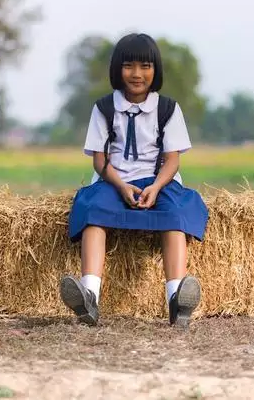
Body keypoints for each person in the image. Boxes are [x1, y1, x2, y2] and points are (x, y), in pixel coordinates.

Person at [59, 32, 209, 328]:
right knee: (93, 212)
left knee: (174, 215)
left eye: (145, 66)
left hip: (158, 180)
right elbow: (99, 159)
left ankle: (177, 299)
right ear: (117, 69)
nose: (137, 74)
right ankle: (89, 297)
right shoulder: (104, 108)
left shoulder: (167, 109)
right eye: (129, 66)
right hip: (113, 180)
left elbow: (173, 159)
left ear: (156, 70)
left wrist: (155, 186)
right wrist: (121, 185)